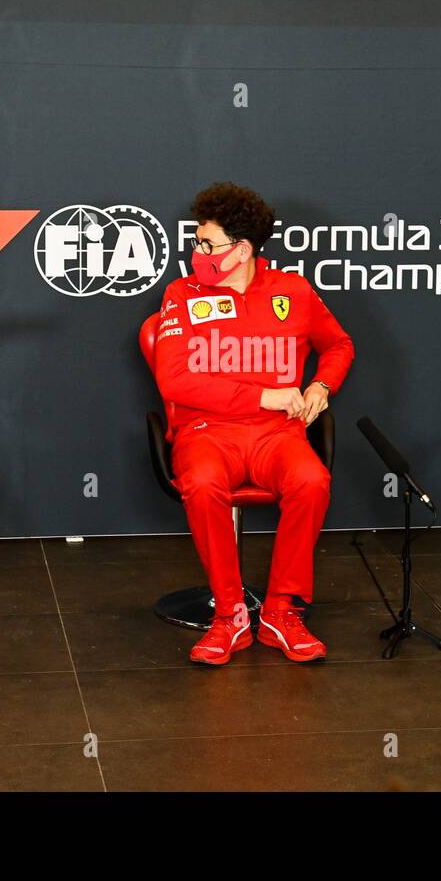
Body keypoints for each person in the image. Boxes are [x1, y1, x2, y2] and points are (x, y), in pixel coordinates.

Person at [154, 182, 354, 665]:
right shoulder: (182, 294)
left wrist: (321, 388)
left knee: (312, 480)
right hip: (207, 432)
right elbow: (174, 381)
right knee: (201, 484)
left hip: (276, 433)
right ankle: (229, 615)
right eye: (197, 242)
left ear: (241, 250)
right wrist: (264, 393)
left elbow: (339, 346)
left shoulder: (293, 290)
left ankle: (283, 612)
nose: (197, 252)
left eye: (207, 244)